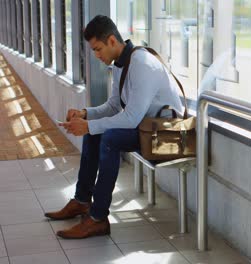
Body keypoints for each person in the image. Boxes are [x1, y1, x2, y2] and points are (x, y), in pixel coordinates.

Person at [44, 15, 183, 239]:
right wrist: (85, 114)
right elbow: (113, 106)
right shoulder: (121, 63)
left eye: (98, 49)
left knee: (107, 138)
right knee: (94, 134)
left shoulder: (142, 64)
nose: (97, 56)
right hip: (147, 129)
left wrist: (89, 125)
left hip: (167, 136)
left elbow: (130, 118)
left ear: (111, 41)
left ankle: (98, 218)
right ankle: (82, 201)